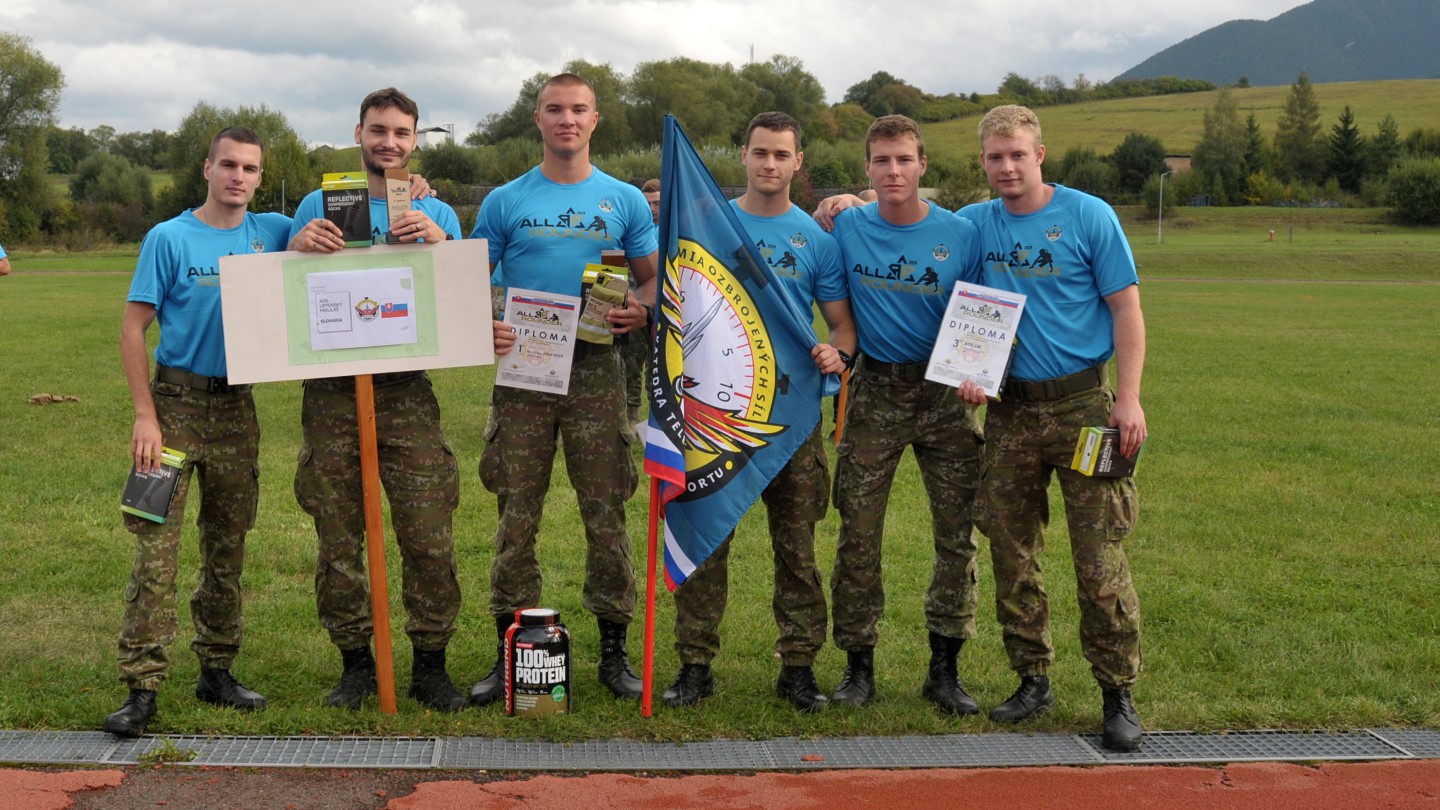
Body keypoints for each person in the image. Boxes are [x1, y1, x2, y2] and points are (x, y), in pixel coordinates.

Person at [955, 104, 1147, 752]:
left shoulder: (1089, 216)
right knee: (1013, 554)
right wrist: (848, 201)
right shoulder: (975, 223)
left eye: (1018, 154)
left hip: (1084, 409)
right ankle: (1031, 678)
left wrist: (1129, 399)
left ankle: (1117, 691)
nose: (1006, 167)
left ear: (1039, 155)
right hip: (1010, 413)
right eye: (995, 157)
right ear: (983, 162)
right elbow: (912, 223)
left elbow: (1126, 308)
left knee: (1099, 558)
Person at [469, 73, 656, 705]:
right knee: (516, 515)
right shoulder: (505, 200)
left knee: (606, 513)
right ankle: (511, 650)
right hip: (524, 371)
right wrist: (486, 321)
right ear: (538, 118)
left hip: (599, 370)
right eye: (555, 109)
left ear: (595, 119)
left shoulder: (624, 199)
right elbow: (469, 280)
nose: (566, 119)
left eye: (578, 109)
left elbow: (650, 280)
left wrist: (640, 309)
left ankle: (613, 651)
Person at [661, 112, 856, 714]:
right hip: (712, 415)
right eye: (760, 152)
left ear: (799, 162)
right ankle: (694, 665)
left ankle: (798, 667)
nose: (770, 164)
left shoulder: (817, 241)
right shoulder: (704, 225)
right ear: (743, 155)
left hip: (791, 418)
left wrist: (839, 354)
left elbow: (842, 325)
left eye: (781, 154)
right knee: (706, 537)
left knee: (797, 549)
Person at [287, 87, 467, 713]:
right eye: (378, 130)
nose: (389, 142)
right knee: (338, 536)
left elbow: (460, 304)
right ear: (358, 133)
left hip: (405, 390)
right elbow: (288, 290)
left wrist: (439, 244)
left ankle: (430, 665)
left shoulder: (436, 211)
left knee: (428, 532)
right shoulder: (316, 203)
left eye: (401, 132)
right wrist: (298, 247)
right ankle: (356, 664)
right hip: (333, 389)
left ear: (415, 139)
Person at [106, 126, 287, 737]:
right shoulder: (168, 237)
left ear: (260, 177)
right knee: (155, 550)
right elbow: (133, 329)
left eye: (251, 169)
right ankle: (142, 686)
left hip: (237, 409)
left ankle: (217, 670)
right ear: (207, 169)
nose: (239, 177)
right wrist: (145, 415)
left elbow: (341, 223)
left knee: (227, 547)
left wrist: (412, 187)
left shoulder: (273, 232)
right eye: (229, 165)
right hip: (174, 406)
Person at [824, 115, 986, 714]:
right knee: (858, 533)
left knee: (957, 535)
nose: (893, 171)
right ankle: (857, 665)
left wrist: (978, 372)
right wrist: (841, 202)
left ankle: (945, 669)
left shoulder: (960, 233)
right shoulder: (846, 225)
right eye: (881, 161)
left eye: (903, 160)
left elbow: (984, 314)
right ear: (867, 168)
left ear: (922, 165)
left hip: (945, 396)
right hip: (875, 392)